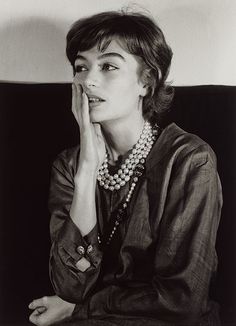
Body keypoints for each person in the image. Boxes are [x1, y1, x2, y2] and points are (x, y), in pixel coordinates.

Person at [28, 10, 222, 326]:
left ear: (146, 82)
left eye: (108, 66)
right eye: (81, 67)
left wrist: (81, 308)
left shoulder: (189, 159)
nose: (87, 80)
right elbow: (70, 285)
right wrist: (88, 169)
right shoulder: (70, 166)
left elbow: (181, 300)